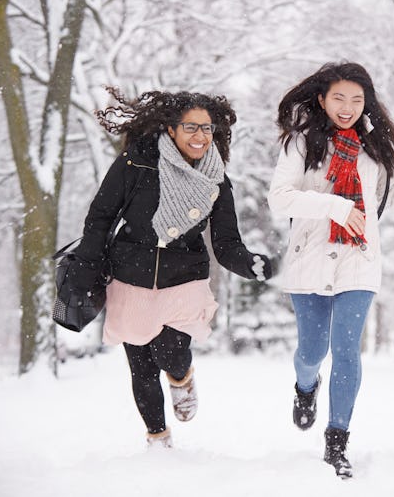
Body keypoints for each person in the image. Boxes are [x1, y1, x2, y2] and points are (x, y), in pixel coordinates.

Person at [67, 88, 272, 448]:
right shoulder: (136, 162)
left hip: (185, 277)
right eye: (191, 127)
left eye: (207, 129)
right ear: (171, 129)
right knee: (142, 367)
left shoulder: (216, 180)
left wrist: (251, 264)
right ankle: (158, 438)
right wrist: (86, 265)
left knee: (171, 353)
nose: (200, 136)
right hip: (130, 274)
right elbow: (101, 217)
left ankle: (181, 376)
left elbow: (225, 243)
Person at [267, 62, 394, 478]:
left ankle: (336, 443)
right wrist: (335, 207)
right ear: (322, 100)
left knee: (345, 351)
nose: (347, 107)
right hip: (309, 257)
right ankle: (305, 386)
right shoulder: (301, 144)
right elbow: (280, 198)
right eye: (339, 98)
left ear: (367, 103)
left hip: (358, 260)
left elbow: (382, 191)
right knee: (312, 352)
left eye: (357, 100)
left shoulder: (372, 146)